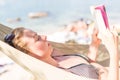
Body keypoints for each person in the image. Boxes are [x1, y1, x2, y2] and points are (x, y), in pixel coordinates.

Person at [4, 26, 119, 80]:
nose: (44, 36)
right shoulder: (57, 76)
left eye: (38, 34)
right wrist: (114, 52)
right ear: (28, 54)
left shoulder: (56, 55)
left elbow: (89, 66)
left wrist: (94, 44)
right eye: (37, 38)